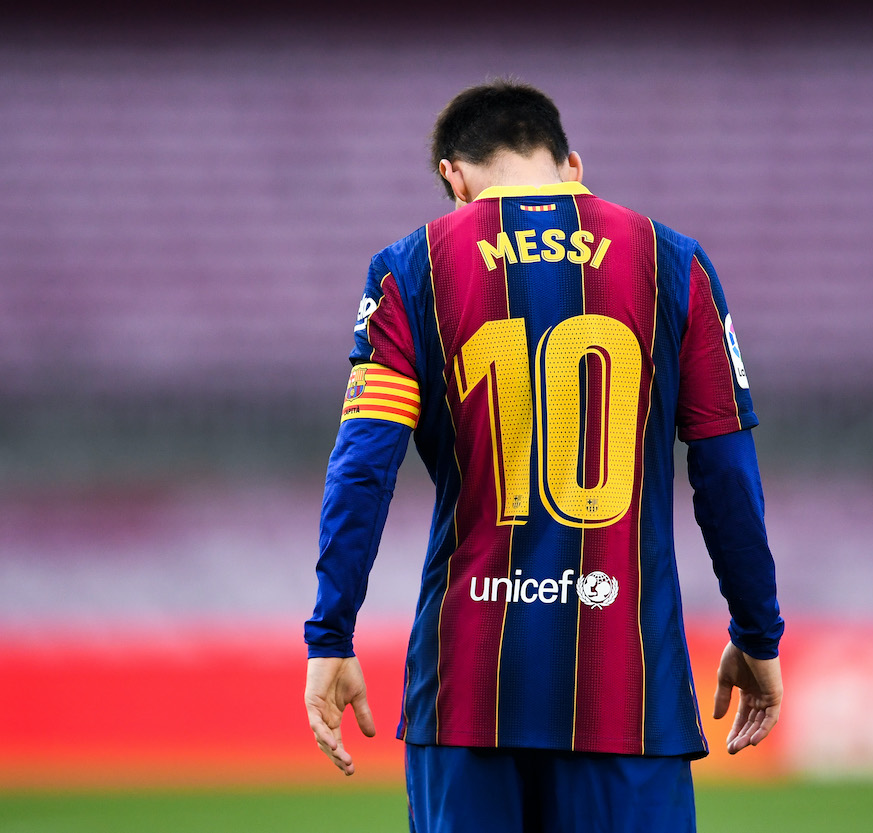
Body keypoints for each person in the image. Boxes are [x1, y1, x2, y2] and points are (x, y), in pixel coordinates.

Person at [305, 79, 784, 833]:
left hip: (468, 688)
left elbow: (362, 468)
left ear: (452, 179)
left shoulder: (408, 270)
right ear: (571, 166)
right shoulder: (674, 262)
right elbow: (726, 476)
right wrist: (757, 632)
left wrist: (330, 633)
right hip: (627, 692)